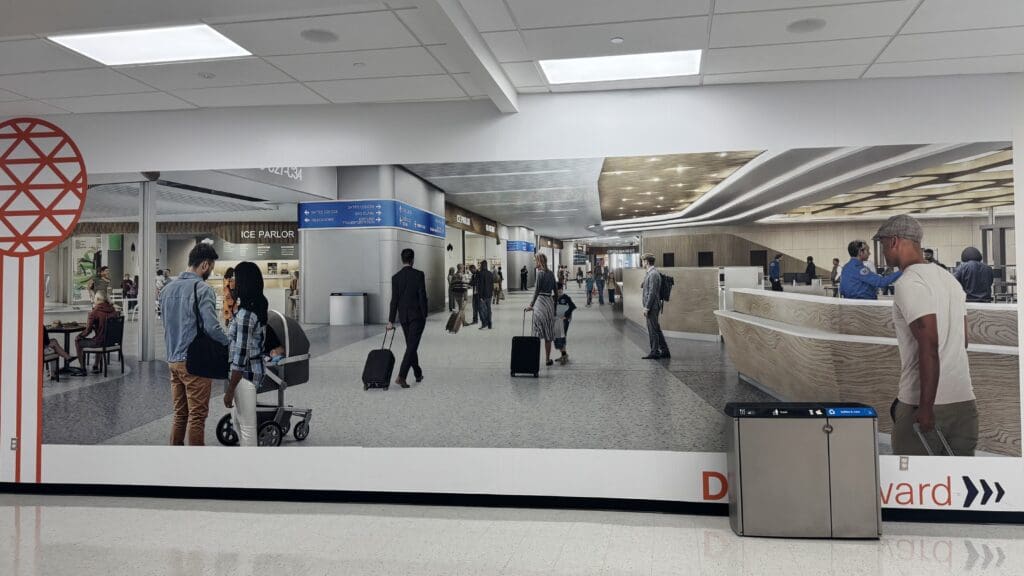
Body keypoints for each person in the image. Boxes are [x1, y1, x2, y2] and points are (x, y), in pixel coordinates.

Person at [875, 215, 976, 456]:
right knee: (958, 489)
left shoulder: (909, 282)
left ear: (894, 241)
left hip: (924, 406)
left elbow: (929, 344)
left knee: (913, 489)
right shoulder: (949, 280)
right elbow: (963, 341)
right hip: (964, 404)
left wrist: (926, 408)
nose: (882, 251)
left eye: (882, 244)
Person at [160, 243, 231, 446]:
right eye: (211, 267)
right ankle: (196, 465)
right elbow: (211, 327)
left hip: (173, 361)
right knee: (197, 417)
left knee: (180, 415)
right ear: (205, 265)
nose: (210, 272)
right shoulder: (202, 289)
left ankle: (175, 458)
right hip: (195, 363)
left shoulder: (167, 289)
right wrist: (228, 343)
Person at [222, 262, 268, 447]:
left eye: (236, 278)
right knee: (239, 423)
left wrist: (229, 390)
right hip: (250, 372)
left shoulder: (246, 316)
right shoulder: (255, 307)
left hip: (244, 376)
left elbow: (240, 358)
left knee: (247, 428)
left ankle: (250, 471)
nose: (233, 282)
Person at [387, 248, 428, 388]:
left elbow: (394, 300)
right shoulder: (419, 275)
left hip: (404, 317)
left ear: (402, 259)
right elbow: (422, 295)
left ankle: (418, 373)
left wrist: (391, 320)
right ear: (412, 260)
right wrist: (425, 314)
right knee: (412, 346)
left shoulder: (395, 277)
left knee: (411, 345)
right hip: (417, 316)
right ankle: (401, 376)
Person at [525, 253, 558, 367]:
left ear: (539, 261)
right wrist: (555, 305)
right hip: (549, 303)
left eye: (536, 261)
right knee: (548, 332)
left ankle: (533, 358)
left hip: (540, 303)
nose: (535, 263)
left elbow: (537, 291)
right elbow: (556, 291)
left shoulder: (540, 274)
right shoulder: (551, 273)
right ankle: (547, 359)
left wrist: (531, 305)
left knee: (537, 332)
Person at [74, 291, 119, 374]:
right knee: (99, 337)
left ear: (98, 299)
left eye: (94, 298)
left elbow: (88, 331)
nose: (93, 300)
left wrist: (79, 336)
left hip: (100, 343)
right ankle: (95, 365)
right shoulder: (114, 311)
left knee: (78, 341)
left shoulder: (94, 312)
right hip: (112, 342)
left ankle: (82, 368)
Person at [641, 253, 670, 360]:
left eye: (643, 261)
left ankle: (655, 352)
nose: (642, 263)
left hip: (652, 307)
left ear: (647, 262)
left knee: (652, 330)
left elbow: (652, 293)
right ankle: (665, 350)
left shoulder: (653, 274)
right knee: (656, 329)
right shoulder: (650, 273)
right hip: (652, 306)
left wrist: (647, 307)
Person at [554, 282, 577, 365]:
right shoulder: (553, 298)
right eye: (557, 290)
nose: (558, 291)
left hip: (564, 321)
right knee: (558, 337)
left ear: (562, 289)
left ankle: (564, 355)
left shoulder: (566, 297)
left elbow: (572, 306)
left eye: (560, 289)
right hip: (556, 320)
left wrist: (566, 315)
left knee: (561, 337)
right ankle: (564, 354)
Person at [477, 260, 494, 330]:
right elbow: (491, 284)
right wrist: (491, 293)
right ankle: (489, 323)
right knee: (489, 309)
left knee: (481, 309)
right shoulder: (490, 273)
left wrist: (480, 296)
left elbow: (481, 286)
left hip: (483, 295)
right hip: (489, 294)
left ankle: (484, 323)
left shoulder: (480, 273)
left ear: (482, 265)